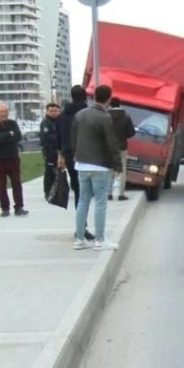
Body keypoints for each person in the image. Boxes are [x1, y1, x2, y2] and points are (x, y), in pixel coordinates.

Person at [70, 85, 122, 251]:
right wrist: (117, 164)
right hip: (99, 165)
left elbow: (73, 138)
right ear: (108, 98)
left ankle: (79, 239)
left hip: (81, 164)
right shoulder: (105, 117)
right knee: (100, 203)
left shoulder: (80, 115)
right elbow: (111, 143)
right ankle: (100, 240)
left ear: (93, 96)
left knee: (82, 201)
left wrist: (76, 155)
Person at [57, 85, 95, 241]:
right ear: (85, 97)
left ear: (71, 97)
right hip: (86, 156)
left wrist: (61, 155)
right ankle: (82, 228)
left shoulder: (63, 114)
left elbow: (58, 135)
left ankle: (81, 226)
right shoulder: (88, 113)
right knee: (85, 192)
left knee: (78, 190)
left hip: (69, 154)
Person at [0, 103, 29, 217]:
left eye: (6, 111)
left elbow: (18, 137)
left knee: (16, 183)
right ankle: (5, 208)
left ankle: (19, 207)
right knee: (1, 184)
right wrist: (8, 134)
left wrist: (2, 137)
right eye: (1, 112)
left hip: (13, 157)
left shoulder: (13, 123)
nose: (4, 114)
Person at [107, 97, 135, 201]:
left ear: (110, 104)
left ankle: (108, 193)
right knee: (122, 169)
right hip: (122, 146)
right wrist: (123, 136)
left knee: (109, 169)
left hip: (108, 147)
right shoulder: (126, 116)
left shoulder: (105, 116)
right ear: (120, 104)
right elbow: (131, 132)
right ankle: (121, 194)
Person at [39, 102, 61, 199]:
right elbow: (46, 137)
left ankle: (57, 191)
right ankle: (47, 191)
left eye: (56, 111)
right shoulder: (45, 123)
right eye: (51, 111)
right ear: (47, 111)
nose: (54, 113)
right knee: (49, 172)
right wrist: (58, 137)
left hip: (60, 151)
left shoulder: (61, 121)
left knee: (60, 172)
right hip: (50, 151)